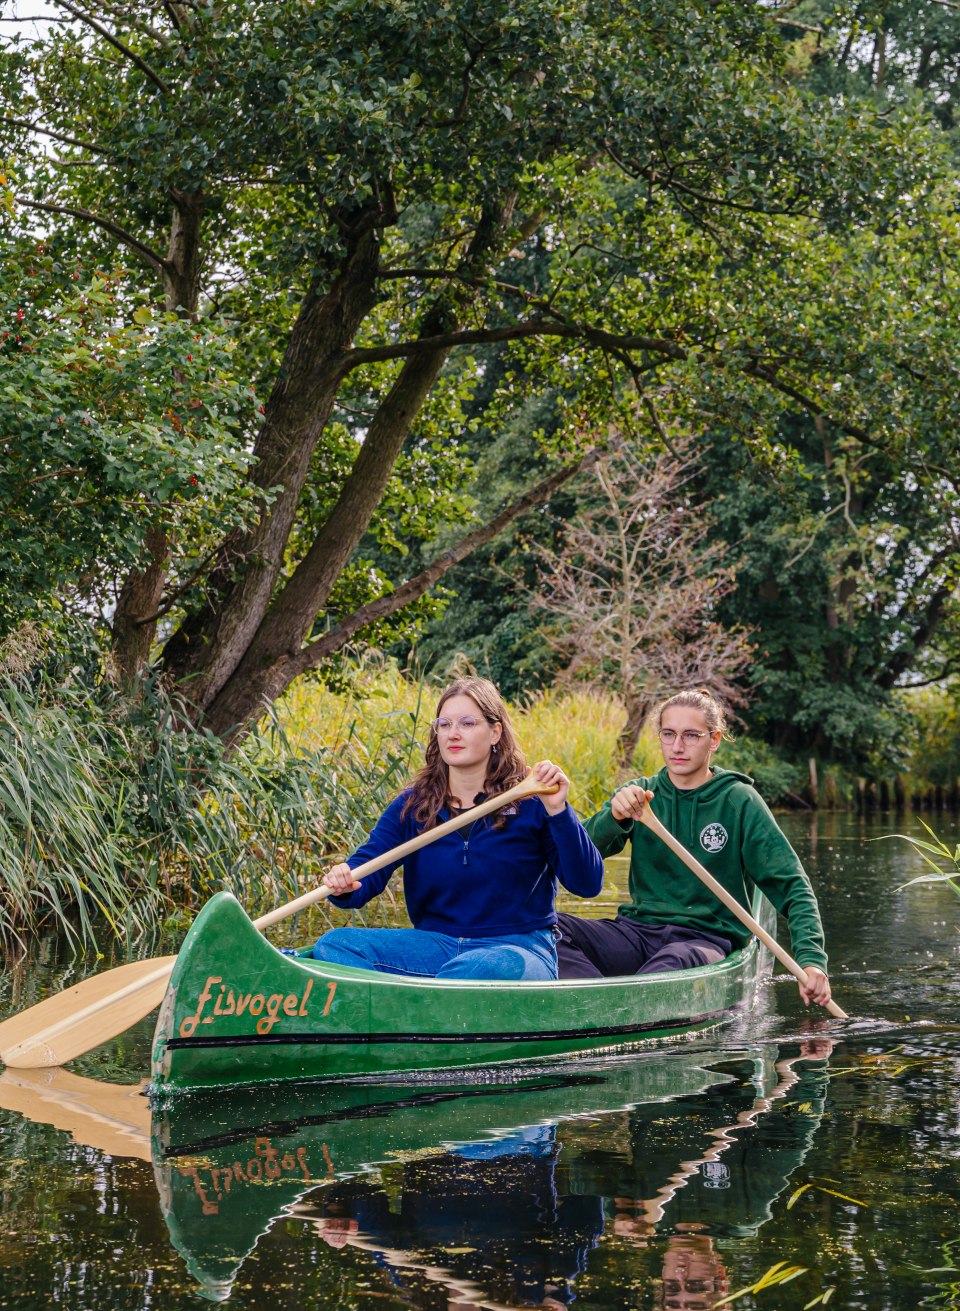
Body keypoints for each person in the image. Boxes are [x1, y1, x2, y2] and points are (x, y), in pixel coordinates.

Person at [555, 688, 833, 1010]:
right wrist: (612, 817)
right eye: (668, 734)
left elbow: (792, 886)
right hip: (637, 933)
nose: (677, 747)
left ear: (714, 740)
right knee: (550, 929)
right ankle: (596, 1005)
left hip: (704, 940)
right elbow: (575, 858)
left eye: (691, 736)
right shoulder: (639, 796)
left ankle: (619, 1008)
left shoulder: (739, 800)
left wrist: (812, 962)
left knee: (674, 961)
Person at [311, 676, 604, 981]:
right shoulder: (412, 807)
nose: (453, 734)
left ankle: (419, 1002)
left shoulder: (532, 803)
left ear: (495, 732)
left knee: (486, 967)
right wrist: (346, 882)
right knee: (337, 945)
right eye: (444, 724)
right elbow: (366, 871)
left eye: (467, 723)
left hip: (518, 949)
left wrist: (558, 810)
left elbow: (587, 884)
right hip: (435, 945)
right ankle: (425, 1007)